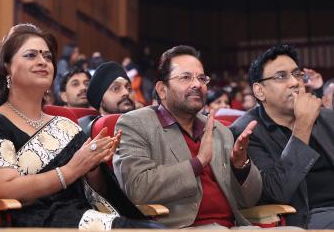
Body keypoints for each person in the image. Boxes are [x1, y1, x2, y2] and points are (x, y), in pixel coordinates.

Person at [0, 23, 164, 230]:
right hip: (30, 222)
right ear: (6, 67)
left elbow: (96, 194)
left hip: (80, 217)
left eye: (47, 56)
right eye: (31, 55)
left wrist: (91, 168)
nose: (42, 62)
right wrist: (71, 170)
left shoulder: (64, 125)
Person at [113, 45, 261, 229]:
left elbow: (251, 200)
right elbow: (136, 188)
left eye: (201, 78)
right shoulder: (135, 124)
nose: (197, 84)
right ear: (161, 89)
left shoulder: (220, 130)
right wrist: (198, 163)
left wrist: (241, 167)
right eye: (185, 77)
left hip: (235, 226)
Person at [230, 44, 334, 229]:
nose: (294, 82)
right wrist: (303, 125)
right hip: (306, 216)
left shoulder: (326, 117)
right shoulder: (247, 131)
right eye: (281, 76)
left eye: (297, 74)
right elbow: (276, 191)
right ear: (259, 91)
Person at [79, 61, 136, 136]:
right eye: (116, 88)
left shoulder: (144, 123)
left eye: (129, 88)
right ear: (101, 101)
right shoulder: (85, 133)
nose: (126, 92)